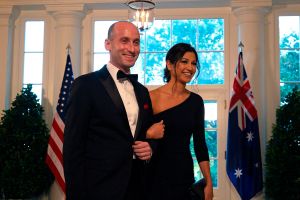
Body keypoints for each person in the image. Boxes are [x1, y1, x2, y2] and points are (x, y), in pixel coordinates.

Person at [63, 21, 164, 200]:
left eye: (136, 42)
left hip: (137, 188)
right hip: (98, 189)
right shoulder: (86, 85)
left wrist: (150, 147)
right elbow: (73, 146)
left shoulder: (141, 91)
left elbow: (145, 133)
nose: (132, 48)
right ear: (108, 44)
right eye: (124, 41)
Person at [146, 43, 214, 200]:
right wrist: (148, 133)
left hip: (182, 175)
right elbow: (134, 135)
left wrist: (209, 182)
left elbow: (200, 145)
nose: (190, 68)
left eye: (194, 63)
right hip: (152, 174)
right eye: (184, 61)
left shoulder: (196, 101)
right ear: (169, 64)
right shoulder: (150, 97)